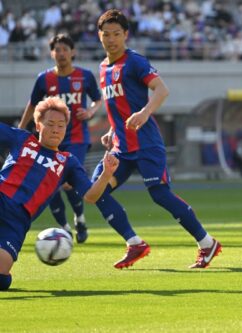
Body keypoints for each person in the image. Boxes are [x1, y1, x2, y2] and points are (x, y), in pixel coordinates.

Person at [93, 9, 221, 269]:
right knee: (96, 191)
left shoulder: (135, 62)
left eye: (117, 34)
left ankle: (207, 243)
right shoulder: (104, 67)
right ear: (99, 36)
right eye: (106, 34)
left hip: (146, 143)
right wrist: (111, 130)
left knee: (160, 195)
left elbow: (162, 90)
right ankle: (134, 243)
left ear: (126, 35)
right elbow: (118, 106)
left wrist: (144, 112)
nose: (111, 39)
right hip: (121, 147)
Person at [0, 97, 119, 291]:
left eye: (61, 126)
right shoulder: (21, 138)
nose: (56, 129)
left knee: (2, 279)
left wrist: (106, 175)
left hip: (18, 220)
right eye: (50, 124)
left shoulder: (68, 162)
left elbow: (90, 196)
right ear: (38, 125)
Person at [19, 34, 102, 244]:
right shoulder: (44, 78)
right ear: (51, 53)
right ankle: (65, 229)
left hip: (76, 137)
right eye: (57, 49)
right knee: (48, 183)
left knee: (68, 182)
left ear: (73, 52)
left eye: (65, 49)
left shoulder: (84, 76)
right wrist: (21, 129)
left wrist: (90, 112)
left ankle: (80, 219)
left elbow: (98, 100)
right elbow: (32, 104)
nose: (61, 53)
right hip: (49, 139)